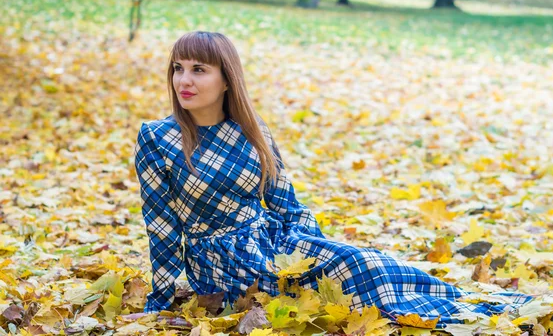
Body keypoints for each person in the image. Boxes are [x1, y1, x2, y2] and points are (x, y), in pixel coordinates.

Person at [133, 31, 532, 327]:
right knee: (354, 290)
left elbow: (287, 203)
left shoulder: (252, 130)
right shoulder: (158, 138)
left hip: (273, 239)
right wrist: (161, 302)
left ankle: (471, 306)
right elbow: (162, 230)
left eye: (198, 70)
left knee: (366, 262)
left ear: (226, 79)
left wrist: (313, 250)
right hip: (225, 267)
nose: (184, 80)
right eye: (178, 69)